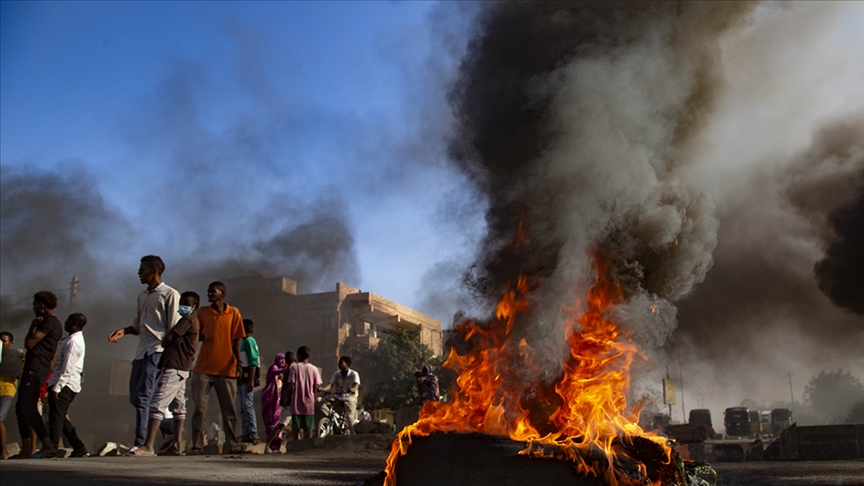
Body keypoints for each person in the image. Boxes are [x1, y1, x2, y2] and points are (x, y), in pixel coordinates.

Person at [108, 255, 180, 453]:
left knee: (143, 397)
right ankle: (168, 428)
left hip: (157, 351)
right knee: (135, 397)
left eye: (142, 270)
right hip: (141, 352)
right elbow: (139, 323)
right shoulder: (142, 296)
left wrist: (169, 356)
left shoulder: (170, 294)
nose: (139, 273)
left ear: (154, 271)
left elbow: (174, 328)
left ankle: (141, 443)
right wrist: (124, 331)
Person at [130, 291, 200, 456]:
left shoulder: (187, 320)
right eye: (181, 303)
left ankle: (148, 445)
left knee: (157, 404)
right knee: (179, 407)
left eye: (186, 304)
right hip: (182, 368)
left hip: (174, 366)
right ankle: (176, 444)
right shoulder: (191, 321)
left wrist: (170, 338)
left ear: (194, 306)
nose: (182, 307)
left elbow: (166, 340)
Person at [190, 282, 246, 455]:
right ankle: (197, 446)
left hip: (226, 369)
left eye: (213, 291)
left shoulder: (233, 313)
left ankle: (232, 445)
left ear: (222, 293)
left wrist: (238, 363)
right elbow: (194, 334)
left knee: (229, 410)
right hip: (203, 368)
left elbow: (236, 340)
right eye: (208, 291)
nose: (209, 294)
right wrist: (200, 336)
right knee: (199, 409)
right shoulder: (202, 312)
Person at [14, 291, 63, 459]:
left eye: (35, 304)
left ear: (42, 305)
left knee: (28, 406)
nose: (33, 308)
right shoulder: (56, 324)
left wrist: (32, 327)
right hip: (38, 368)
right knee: (21, 407)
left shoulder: (48, 323)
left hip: (35, 369)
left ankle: (46, 445)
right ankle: (27, 449)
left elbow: (29, 343)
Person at [47, 313, 88, 457]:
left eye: (69, 321)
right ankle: (79, 447)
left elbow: (67, 368)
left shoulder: (74, 342)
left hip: (66, 385)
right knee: (60, 416)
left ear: (75, 323)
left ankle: (52, 447)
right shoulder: (70, 340)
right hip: (63, 383)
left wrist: (57, 388)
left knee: (56, 417)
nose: (65, 323)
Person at [283, 346, 321, 440]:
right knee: (309, 427)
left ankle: (297, 445)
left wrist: (287, 397)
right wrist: (313, 394)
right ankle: (308, 444)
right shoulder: (314, 369)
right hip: (309, 402)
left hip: (296, 401)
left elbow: (291, 384)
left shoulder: (294, 368)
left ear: (299, 355)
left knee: (296, 427)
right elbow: (316, 385)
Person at [319, 355, 360, 434]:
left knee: (349, 417)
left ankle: (353, 435)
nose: (339, 364)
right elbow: (330, 385)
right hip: (338, 397)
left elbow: (356, 385)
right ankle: (332, 417)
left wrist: (353, 389)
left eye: (341, 362)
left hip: (350, 398)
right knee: (319, 401)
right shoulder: (336, 374)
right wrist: (323, 389)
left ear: (347, 364)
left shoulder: (354, 374)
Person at [0, 331, 24, 460]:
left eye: (4, 341)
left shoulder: (15, 356)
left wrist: (22, 361)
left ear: (10, 343)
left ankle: (3, 452)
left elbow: (20, 372)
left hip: (7, 391)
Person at [237, 319, 260, 444]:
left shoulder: (249, 341)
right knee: (242, 407)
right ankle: (245, 432)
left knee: (247, 405)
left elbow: (253, 362)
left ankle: (253, 433)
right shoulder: (243, 343)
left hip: (247, 379)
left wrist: (251, 380)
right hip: (241, 380)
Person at [261, 352, 288, 452]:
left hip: (279, 403)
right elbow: (274, 373)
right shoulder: (274, 368)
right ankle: (269, 446)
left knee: (278, 424)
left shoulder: (285, 371)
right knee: (271, 424)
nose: (282, 361)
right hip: (271, 401)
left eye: (284, 359)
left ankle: (276, 447)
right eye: (281, 359)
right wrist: (286, 370)